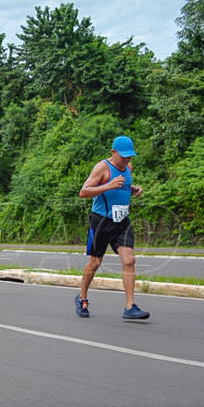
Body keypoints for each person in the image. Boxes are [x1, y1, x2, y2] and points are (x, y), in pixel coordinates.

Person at [76, 135, 150, 320]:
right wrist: (107, 186)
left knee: (129, 260)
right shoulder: (102, 167)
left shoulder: (129, 168)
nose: (126, 160)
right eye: (123, 156)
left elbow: (123, 186)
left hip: (122, 222)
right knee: (95, 263)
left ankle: (130, 306)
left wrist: (133, 189)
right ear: (113, 152)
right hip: (101, 222)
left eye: (129, 156)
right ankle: (82, 298)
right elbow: (83, 192)